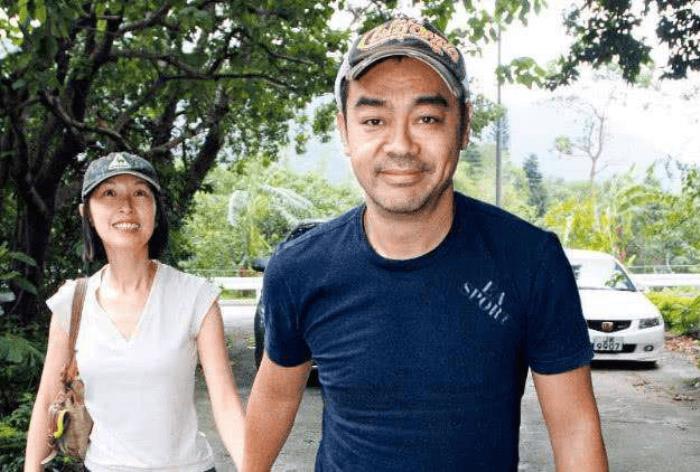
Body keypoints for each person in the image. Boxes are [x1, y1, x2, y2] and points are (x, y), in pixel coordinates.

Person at [243, 15, 608, 472]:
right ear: (344, 131)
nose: (400, 145)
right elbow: (276, 394)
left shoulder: (529, 261)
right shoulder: (299, 268)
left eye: (427, 118)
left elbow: (574, 428)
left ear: (464, 125)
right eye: (374, 119)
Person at [24, 152, 244, 471]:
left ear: (156, 209)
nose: (126, 206)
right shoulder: (71, 303)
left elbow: (225, 403)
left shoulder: (195, 297)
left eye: (140, 193)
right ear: (87, 213)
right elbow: (47, 399)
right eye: (109, 193)